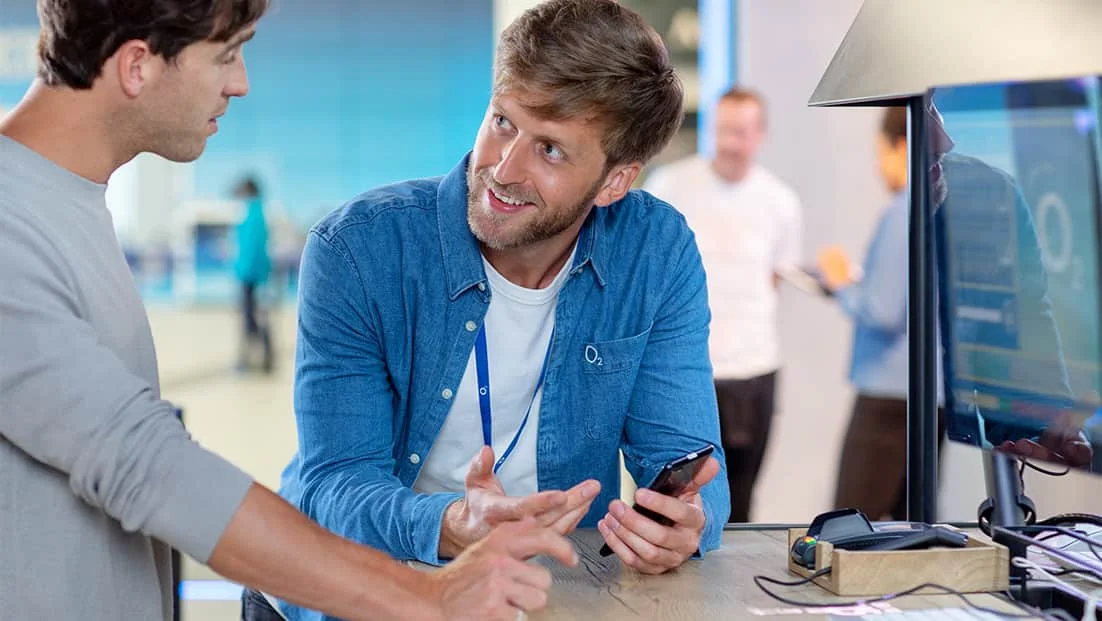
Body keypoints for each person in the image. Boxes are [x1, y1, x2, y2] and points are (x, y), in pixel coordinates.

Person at [0, 2, 575, 620]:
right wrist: (426, 597)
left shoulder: (61, 202)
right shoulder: (12, 225)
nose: (240, 81)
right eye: (226, 54)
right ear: (137, 65)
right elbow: (145, 465)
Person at [261, 2, 730, 618]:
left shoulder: (655, 252)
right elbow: (334, 484)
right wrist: (450, 524)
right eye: (503, 122)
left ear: (616, 182)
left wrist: (683, 523)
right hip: (354, 597)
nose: (503, 170)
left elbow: (688, 461)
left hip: (534, 598)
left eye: (552, 151)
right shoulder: (357, 250)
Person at [643, 86, 801, 523]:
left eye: (742, 132)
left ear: (761, 135)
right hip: (683, 371)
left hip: (753, 369)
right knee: (668, 500)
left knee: (742, 502)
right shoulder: (670, 186)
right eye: (724, 131)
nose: (732, 142)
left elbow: (775, 279)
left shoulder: (781, 202)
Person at [817, 107, 945, 520]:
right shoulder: (940, 202)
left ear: (903, 146)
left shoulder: (903, 209)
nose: (876, 166)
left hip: (889, 397)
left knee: (849, 529)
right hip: (930, 395)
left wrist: (840, 283)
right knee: (910, 528)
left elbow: (883, 311)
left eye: (879, 153)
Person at [233, 175, 274, 373]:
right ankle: (262, 359)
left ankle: (252, 360)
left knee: (250, 318)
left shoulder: (252, 214)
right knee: (255, 317)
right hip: (256, 274)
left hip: (250, 276)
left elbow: (251, 248)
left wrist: (244, 272)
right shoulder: (257, 212)